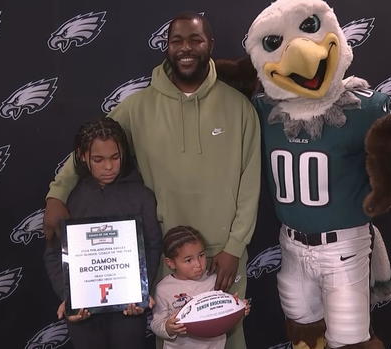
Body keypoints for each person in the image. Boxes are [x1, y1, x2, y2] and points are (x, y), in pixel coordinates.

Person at [43, 12, 261, 349]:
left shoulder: (240, 108)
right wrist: (57, 194)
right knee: (173, 337)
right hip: (166, 256)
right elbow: (93, 147)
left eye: (195, 40)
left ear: (210, 45)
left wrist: (234, 247)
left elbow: (250, 185)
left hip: (220, 255)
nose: (186, 48)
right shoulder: (136, 108)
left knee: (227, 340)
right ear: (167, 46)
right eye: (177, 41)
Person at [44, 118, 163, 349]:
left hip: (129, 310)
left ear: (124, 154)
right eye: (98, 159)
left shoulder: (142, 195)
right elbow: (52, 254)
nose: (108, 166)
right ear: (82, 156)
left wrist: (140, 289)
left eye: (115, 158)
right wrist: (68, 296)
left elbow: (153, 245)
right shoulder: (68, 199)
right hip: (83, 313)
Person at [151, 226, 250, 349]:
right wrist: (168, 328)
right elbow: (156, 323)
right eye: (188, 260)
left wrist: (238, 308)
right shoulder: (164, 289)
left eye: (201, 255)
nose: (198, 264)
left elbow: (223, 310)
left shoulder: (214, 280)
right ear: (170, 263)